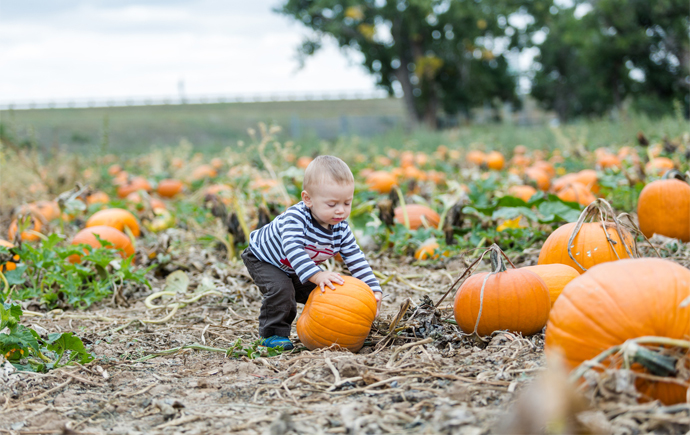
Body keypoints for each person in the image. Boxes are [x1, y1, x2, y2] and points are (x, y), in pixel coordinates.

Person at [241, 155, 383, 350]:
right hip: (265, 259)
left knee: (325, 293)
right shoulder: (296, 218)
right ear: (308, 199)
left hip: (295, 266)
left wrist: (373, 288)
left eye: (347, 203)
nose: (340, 211)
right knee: (282, 290)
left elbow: (355, 256)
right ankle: (272, 335)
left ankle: (331, 331)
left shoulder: (340, 227)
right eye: (332, 204)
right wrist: (316, 274)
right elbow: (293, 249)